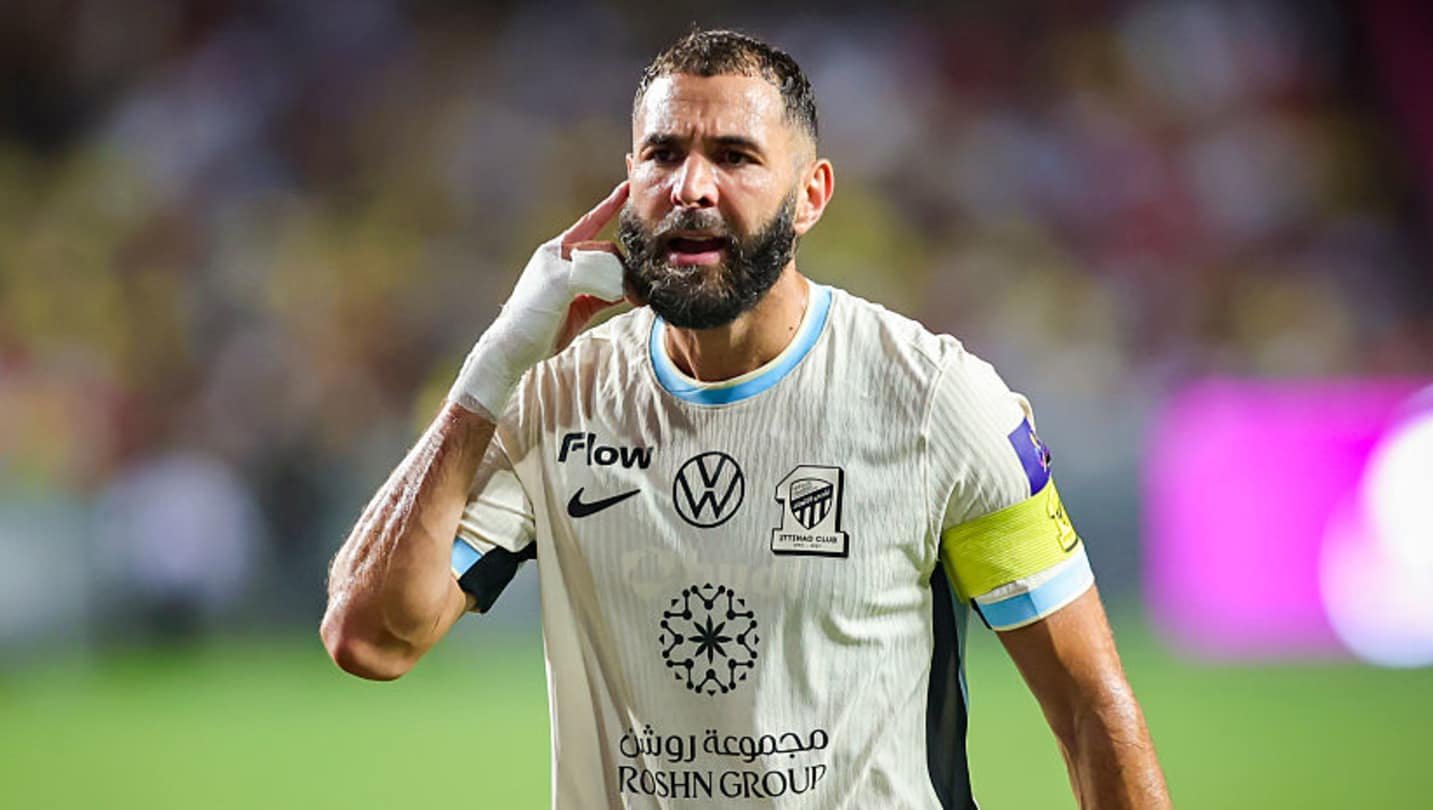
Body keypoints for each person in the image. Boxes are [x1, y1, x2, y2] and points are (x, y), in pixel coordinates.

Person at [321, 28, 1171, 809]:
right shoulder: (553, 399)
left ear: (810, 196)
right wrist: (497, 362)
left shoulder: (934, 401)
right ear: (628, 182)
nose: (691, 186)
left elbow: (1090, 708)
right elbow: (370, 638)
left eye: (734, 156)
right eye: (663, 155)